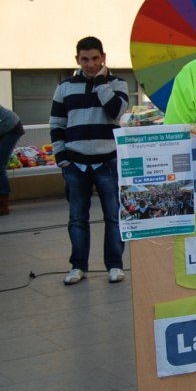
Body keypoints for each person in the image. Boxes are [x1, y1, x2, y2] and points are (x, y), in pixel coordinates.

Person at [50, 36, 129, 285]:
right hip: (75, 163)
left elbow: (116, 112)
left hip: (107, 161)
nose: (91, 64)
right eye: (85, 59)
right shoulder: (65, 87)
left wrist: (101, 83)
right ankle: (78, 266)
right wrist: (62, 158)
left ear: (103, 57)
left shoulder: (118, 84)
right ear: (77, 60)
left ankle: (115, 265)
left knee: (113, 217)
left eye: (95, 58)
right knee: (77, 218)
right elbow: (57, 125)